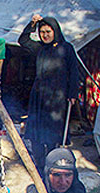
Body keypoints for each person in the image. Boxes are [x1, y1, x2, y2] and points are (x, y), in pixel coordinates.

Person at [19, 14, 80, 173]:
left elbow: (74, 72)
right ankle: (39, 165)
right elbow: (23, 40)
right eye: (42, 32)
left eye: (48, 32)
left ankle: (53, 163)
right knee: (36, 133)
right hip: (39, 97)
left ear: (55, 31)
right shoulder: (39, 48)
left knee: (53, 133)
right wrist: (32, 24)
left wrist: (73, 93)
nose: (45, 35)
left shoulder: (66, 48)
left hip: (57, 98)